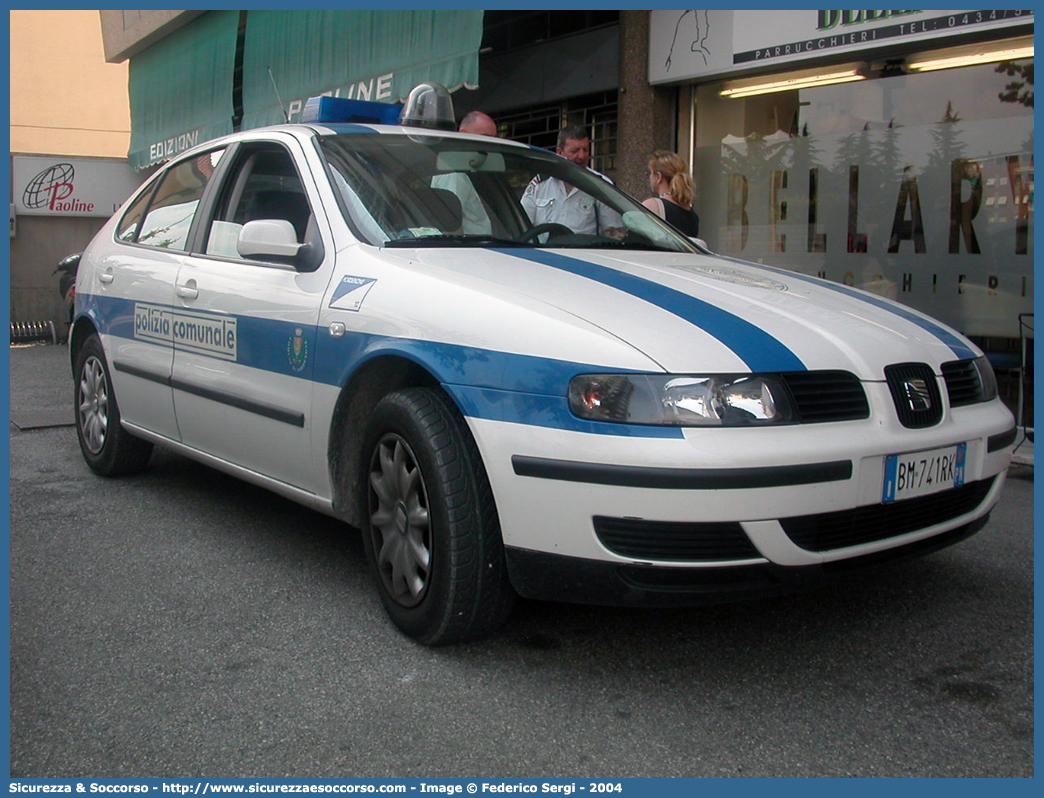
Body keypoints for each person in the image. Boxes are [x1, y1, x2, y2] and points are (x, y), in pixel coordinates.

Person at [521, 125, 624, 238]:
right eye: (575, 151)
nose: (582, 156)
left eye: (585, 150)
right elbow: (522, 225)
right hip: (542, 252)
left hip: (582, 253)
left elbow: (612, 233)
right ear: (560, 152)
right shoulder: (540, 184)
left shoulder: (601, 185)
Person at [430, 110, 498, 234]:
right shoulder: (453, 172)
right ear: (463, 135)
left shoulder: (474, 169)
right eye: (486, 137)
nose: (491, 145)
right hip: (469, 250)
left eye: (494, 139)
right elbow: (450, 226)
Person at [642, 150, 700, 237]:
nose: (649, 177)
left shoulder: (652, 205)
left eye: (650, 173)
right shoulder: (692, 215)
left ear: (658, 177)